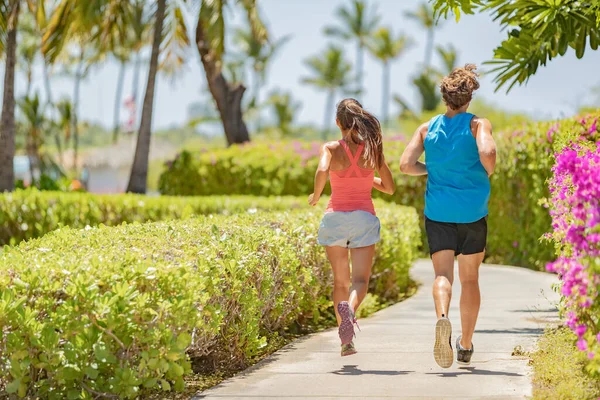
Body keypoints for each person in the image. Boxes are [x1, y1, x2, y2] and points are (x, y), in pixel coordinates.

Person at [399, 64, 496, 368]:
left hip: (438, 212)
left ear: (445, 97)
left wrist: (432, 169)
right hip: (472, 212)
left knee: (443, 275)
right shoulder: (477, 124)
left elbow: (405, 164)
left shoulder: (427, 128)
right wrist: (486, 171)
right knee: (470, 279)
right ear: (469, 97)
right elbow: (488, 153)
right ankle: (465, 344)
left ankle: (443, 318)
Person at [308, 98, 395, 357]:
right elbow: (390, 188)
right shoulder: (372, 149)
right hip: (363, 219)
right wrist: (368, 180)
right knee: (360, 280)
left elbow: (322, 170)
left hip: (335, 217)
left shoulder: (331, 148)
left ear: (337, 122)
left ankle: (346, 342)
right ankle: (352, 311)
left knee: (340, 282)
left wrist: (316, 195)